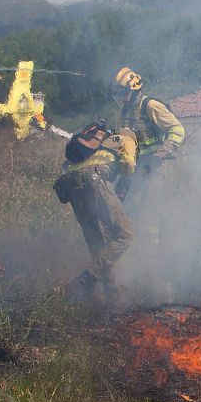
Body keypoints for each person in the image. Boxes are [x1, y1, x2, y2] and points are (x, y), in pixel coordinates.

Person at [52, 121, 138, 303]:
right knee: (125, 235)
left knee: (98, 243)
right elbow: (128, 163)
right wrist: (126, 181)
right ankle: (88, 278)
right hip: (93, 180)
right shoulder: (127, 138)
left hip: (70, 185)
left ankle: (111, 299)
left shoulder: (95, 142)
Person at [111, 67, 185, 172]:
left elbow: (177, 128)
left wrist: (168, 146)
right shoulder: (122, 111)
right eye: (117, 94)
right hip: (137, 166)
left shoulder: (151, 106)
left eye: (123, 93)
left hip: (158, 164)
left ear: (134, 90)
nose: (120, 97)